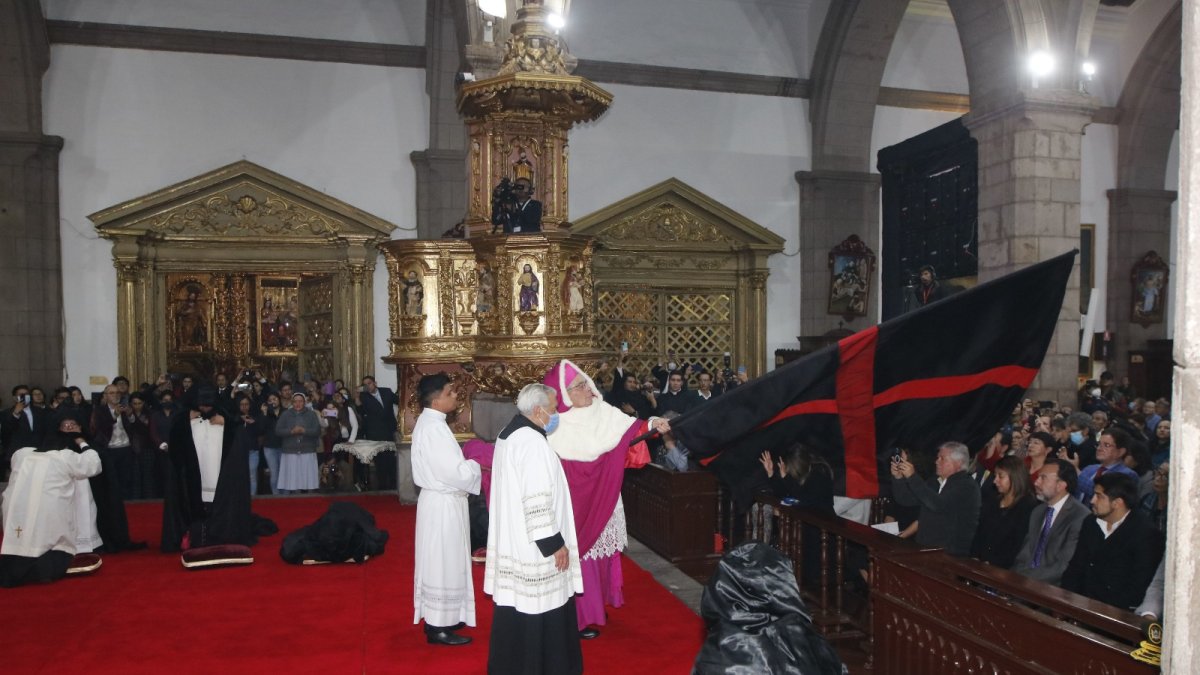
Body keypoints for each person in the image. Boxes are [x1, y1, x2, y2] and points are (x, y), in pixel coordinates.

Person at [540, 360, 662, 639]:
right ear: (563, 394)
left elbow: (632, 430)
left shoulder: (603, 410)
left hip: (605, 495)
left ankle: (596, 607)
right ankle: (580, 615)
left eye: (585, 382)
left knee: (603, 556)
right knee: (581, 558)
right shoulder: (556, 426)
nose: (587, 389)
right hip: (578, 502)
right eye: (578, 386)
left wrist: (654, 423)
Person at [484, 383, 583, 675]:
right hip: (535, 546)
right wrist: (553, 543)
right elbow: (537, 498)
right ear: (538, 411)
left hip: (518, 538)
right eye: (553, 408)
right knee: (541, 606)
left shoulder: (509, 433)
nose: (556, 414)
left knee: (519, 608)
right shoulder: (532, 443)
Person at [412, 373, 482, 646]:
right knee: (442, 562)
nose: (455, 396)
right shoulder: (432, 428)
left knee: (448, 560)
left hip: (444, 503)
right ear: (437, 397)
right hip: (442, 506)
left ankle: (448, 615)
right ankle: (437, 626)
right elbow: (452, 472)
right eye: (451, 392)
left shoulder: (434, 424)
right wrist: (475, 466)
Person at [0, 416, 103, 587]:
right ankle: (44, 572)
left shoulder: (22, 455)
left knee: (22, 538)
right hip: (49, 512)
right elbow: (94, 465)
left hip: (17, 512)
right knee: (47, 536)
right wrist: (83, 443)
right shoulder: (64, 456)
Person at [162, 386, 264, 552]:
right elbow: (175, 440)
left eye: (208, 405)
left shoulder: (227, 419)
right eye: (202, 405)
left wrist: (226, 422)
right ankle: (195, 536)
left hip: (219, 474)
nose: (205, 408)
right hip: (194, 475)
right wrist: (186, 419)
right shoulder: (184, 420)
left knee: (218, 506)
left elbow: (239, 433)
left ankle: (219, 535)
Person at [1062, 473, 1163, 609]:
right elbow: (1076, 566)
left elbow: (1138, 587)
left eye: (1099, 496)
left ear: (1117, 503)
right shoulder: (1091, 522)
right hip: (1080, 602)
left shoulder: (1145, 534)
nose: (1092, 501)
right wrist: (1066, 600)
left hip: (1114, 611)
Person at [889, 442, 981, 557]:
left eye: (942, 458)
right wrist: (898, 478)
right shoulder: (936, 482)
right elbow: (906, 499)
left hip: (949, 556)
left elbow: (938, 505)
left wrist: (912, 477)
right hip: (926, 549)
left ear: (958, 463)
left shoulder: (966, 486)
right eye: (937, 458)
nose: (937, 461)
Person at [1011, 459, 1089, 585]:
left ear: (1061, 485)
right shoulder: (1038, 511)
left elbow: (1063, 566)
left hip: (1051, 589)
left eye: (1043, 478)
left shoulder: (1080, 516)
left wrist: (1026, 580)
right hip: (1024, 581)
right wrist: (1014, 577)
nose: (1036, 482)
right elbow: (1025, 553)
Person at [970, 456, 1037, 568]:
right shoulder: (993, 500)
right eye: (995, 476)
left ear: (1015, 477)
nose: (995, 480)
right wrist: (975, 556)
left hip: (1003, 568)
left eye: (1000, 476)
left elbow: (1018, 543)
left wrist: (993, 562)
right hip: (979, 562)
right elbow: (979, 531)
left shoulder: (1027, 506)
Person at [357, 375, 399, 490]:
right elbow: (362, 411)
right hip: (375, 432)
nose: (368, 386)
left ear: (375, 383)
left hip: (390, 429)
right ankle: (382, 485)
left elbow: (398, 401)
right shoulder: (364, 397)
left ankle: (394, 484)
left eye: (369, 383)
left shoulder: (386, 391)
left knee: (391, 458)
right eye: (365, 385)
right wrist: (357, 397)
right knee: (380, 461)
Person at [274, 393, 321, 494]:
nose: (298, 404)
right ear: (292, 403)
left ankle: (310, 500)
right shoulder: (285, 414)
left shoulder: (311, 414)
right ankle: (296, 499)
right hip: (290, 450)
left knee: (309, 477)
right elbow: (278, 431)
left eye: (300, 401)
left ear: (304, 402)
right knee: (294, 478)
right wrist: (291, 432)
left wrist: (304, 431)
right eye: (295, 401)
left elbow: (317, 431)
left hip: (307, 449)